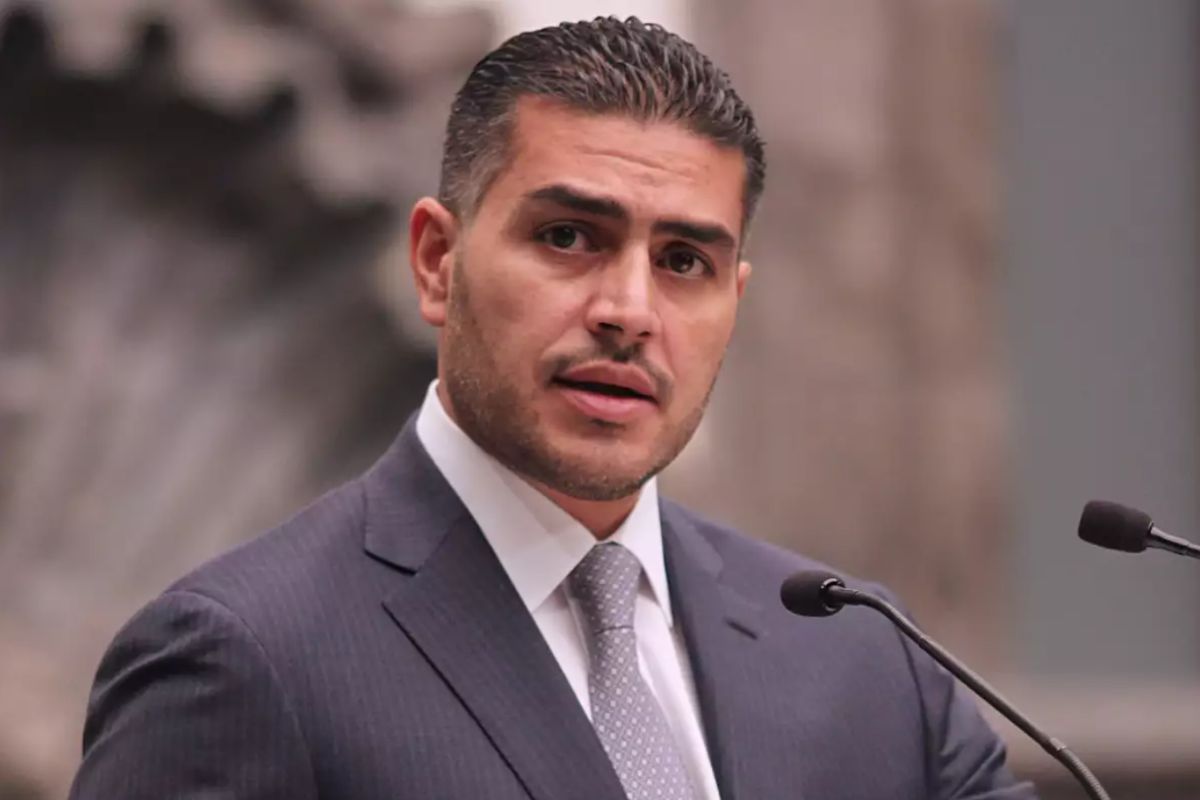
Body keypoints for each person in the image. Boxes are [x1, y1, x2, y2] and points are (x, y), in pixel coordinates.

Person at [70, 17, 1036, 800]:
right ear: (437, 262)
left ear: (734, 301)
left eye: (684, 262)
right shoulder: (245, 658)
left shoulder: (862, 656)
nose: (629, 310)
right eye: (570, 237)